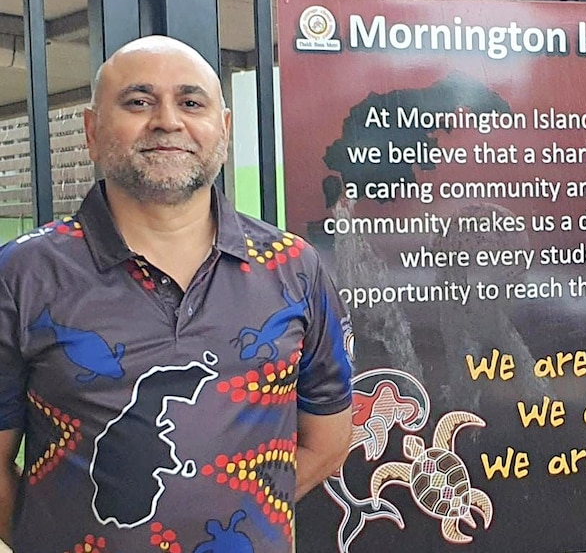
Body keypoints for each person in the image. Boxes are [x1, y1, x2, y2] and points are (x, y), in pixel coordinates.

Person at [0, 35, 353, 552]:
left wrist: (243, 511)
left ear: (224, 130)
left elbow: (327, 442)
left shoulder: (294, 267)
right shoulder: (23, 274)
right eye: (139, 102)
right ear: (93, 132)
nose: (167, 120)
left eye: (191, 102)